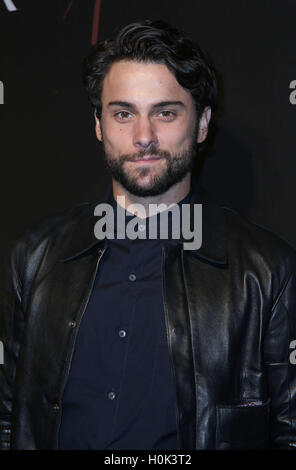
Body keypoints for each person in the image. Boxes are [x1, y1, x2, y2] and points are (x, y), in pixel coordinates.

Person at [1, 19, 296, 451]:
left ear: (201, 124)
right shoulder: (35, 255)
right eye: (123, 114)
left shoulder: (268, 269)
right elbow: (9, 419)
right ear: (99, 125)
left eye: (165, 112)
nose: (143, 137)